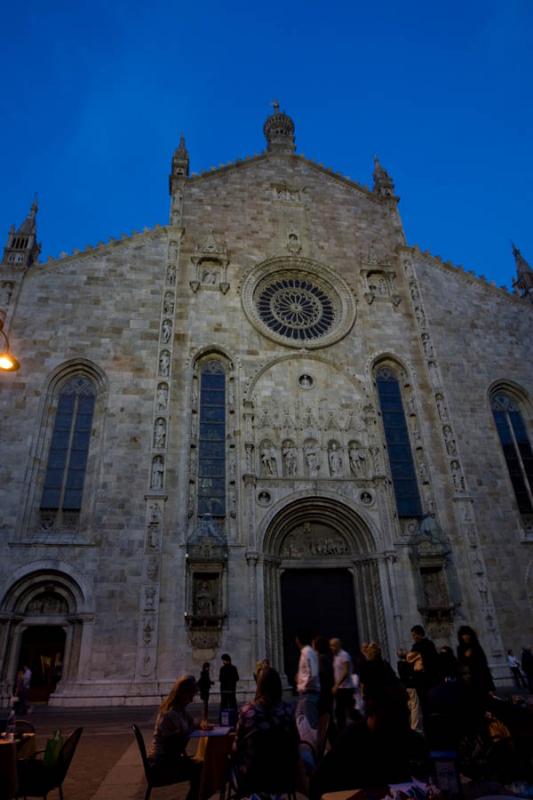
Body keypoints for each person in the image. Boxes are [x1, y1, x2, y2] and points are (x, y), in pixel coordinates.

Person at [309, 681, 428, 800]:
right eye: (399, 707)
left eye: (406, 706)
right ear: (376, 709)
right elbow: (318, 784)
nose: (407, 712)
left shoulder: (410, 741)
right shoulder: (351, 741)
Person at [232, 667, 300, 796]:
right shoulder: (288, 711)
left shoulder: (247, 712)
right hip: (283, 777)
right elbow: (295, 741)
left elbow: (236, 748)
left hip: (252, 778)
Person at [148, 674, 209, 800]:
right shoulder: (170, 714)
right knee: (203, 769)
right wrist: (190, 730)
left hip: (168, 759)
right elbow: (174, 746)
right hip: (162, 764)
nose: (192, 700)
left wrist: (201, 724)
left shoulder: (180, 710)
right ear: (183, 693)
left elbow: (192, 723)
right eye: (191, 695)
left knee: (203, 766)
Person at [457, 624, 494, 714]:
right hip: (469, 682)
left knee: (487, 707)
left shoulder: (476, 647)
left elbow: (484, 666)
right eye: (463, 635)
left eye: (467, 634)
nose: (465, 637)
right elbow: (461, 664)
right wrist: (465, 657)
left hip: (481, 680)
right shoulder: (460, 648)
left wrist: (490, 687)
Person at [295, 630, 321, 732]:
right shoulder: (307, 651)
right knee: (301, 722)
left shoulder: (307, 652)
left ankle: (312, 746)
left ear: (298, 640)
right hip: (306, 694)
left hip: (308, 694)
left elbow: (313, 673)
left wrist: (305, 685)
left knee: (309, 725)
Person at [330, 638, 354, 731]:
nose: (331, 648)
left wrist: (336, 685)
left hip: (346, 688)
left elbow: (346, 671)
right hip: (340, 688)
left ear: (338, 645)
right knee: (339, 712)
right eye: (330, 645)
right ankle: (342, 731)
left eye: (333, 645)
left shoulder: (344, 655)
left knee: (349, 711)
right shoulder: (336, 657)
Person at [219, 653, 239, 719]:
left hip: (224, 690)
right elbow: (237, 678)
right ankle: (234, 718)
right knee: (233, 705)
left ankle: (224, 719)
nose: (223, 662)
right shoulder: (233, 668)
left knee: (224, 706)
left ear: (225, 660)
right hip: (231, 690)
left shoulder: (222, 669)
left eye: (223, 660)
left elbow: (220, 679)